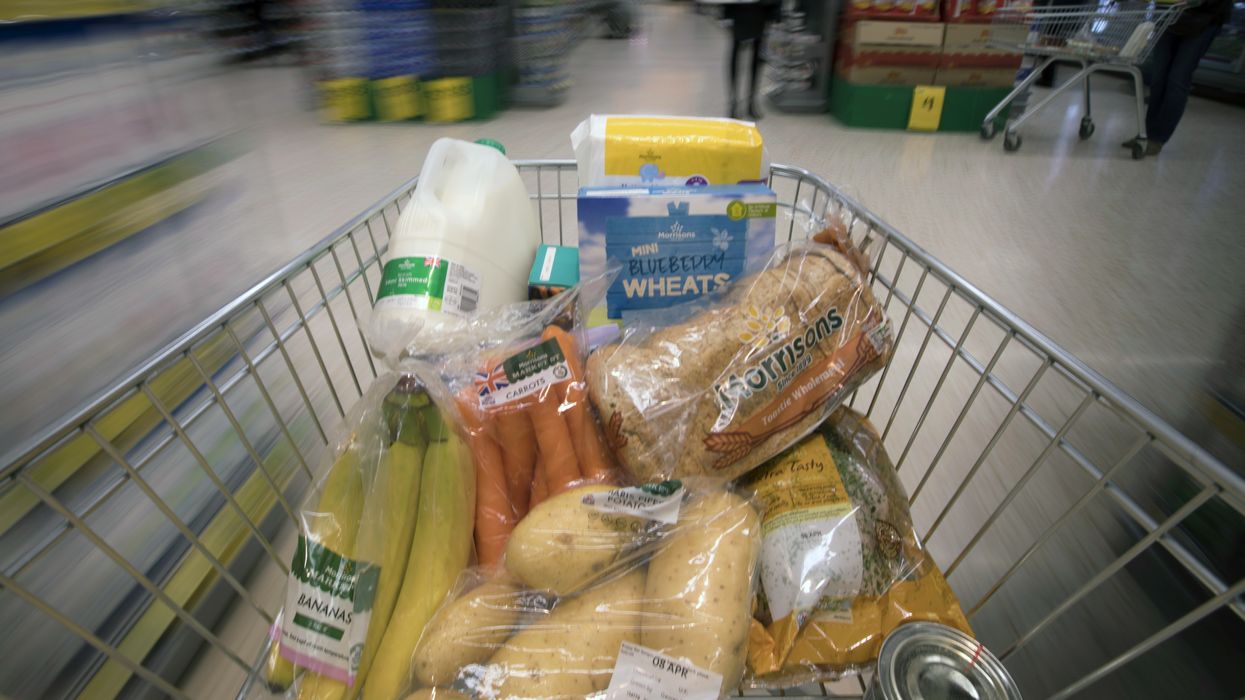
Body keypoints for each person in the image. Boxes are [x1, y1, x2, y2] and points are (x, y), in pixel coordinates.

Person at [1126, 0, 1232, 155]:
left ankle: (1157, 138)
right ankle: (1144, 135)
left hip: (1205, 18)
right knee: (1158, 78)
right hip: (1170, 14)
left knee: (1177, 79)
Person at [723, 0, 780, 119]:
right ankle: (734, 102)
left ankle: (751, 101)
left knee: (756, 58)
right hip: (738, 10)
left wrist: (775, 13)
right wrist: (726, 14)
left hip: (760, 11)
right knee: (736, 55)